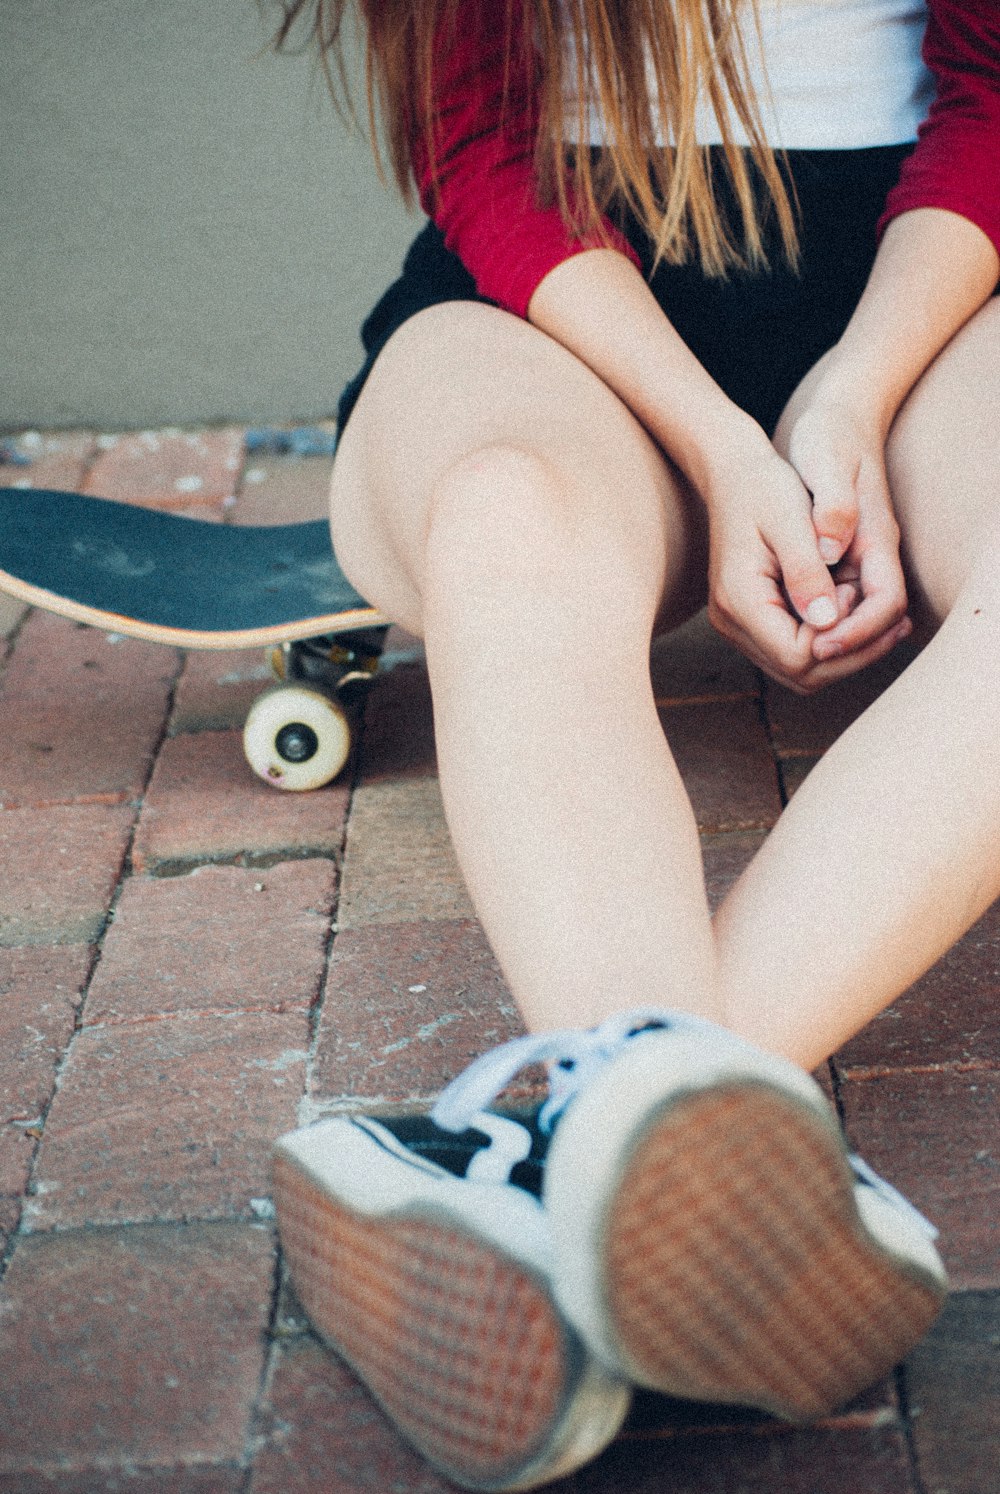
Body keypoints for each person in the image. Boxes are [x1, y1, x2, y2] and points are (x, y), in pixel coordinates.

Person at [269, 1, 1000, 1488]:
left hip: (928, 291)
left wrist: (848, 390)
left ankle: (564, 1156)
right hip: (566, 298)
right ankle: (686, 1176)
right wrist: (727, 445)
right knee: (504, 514)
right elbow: (476, 137)